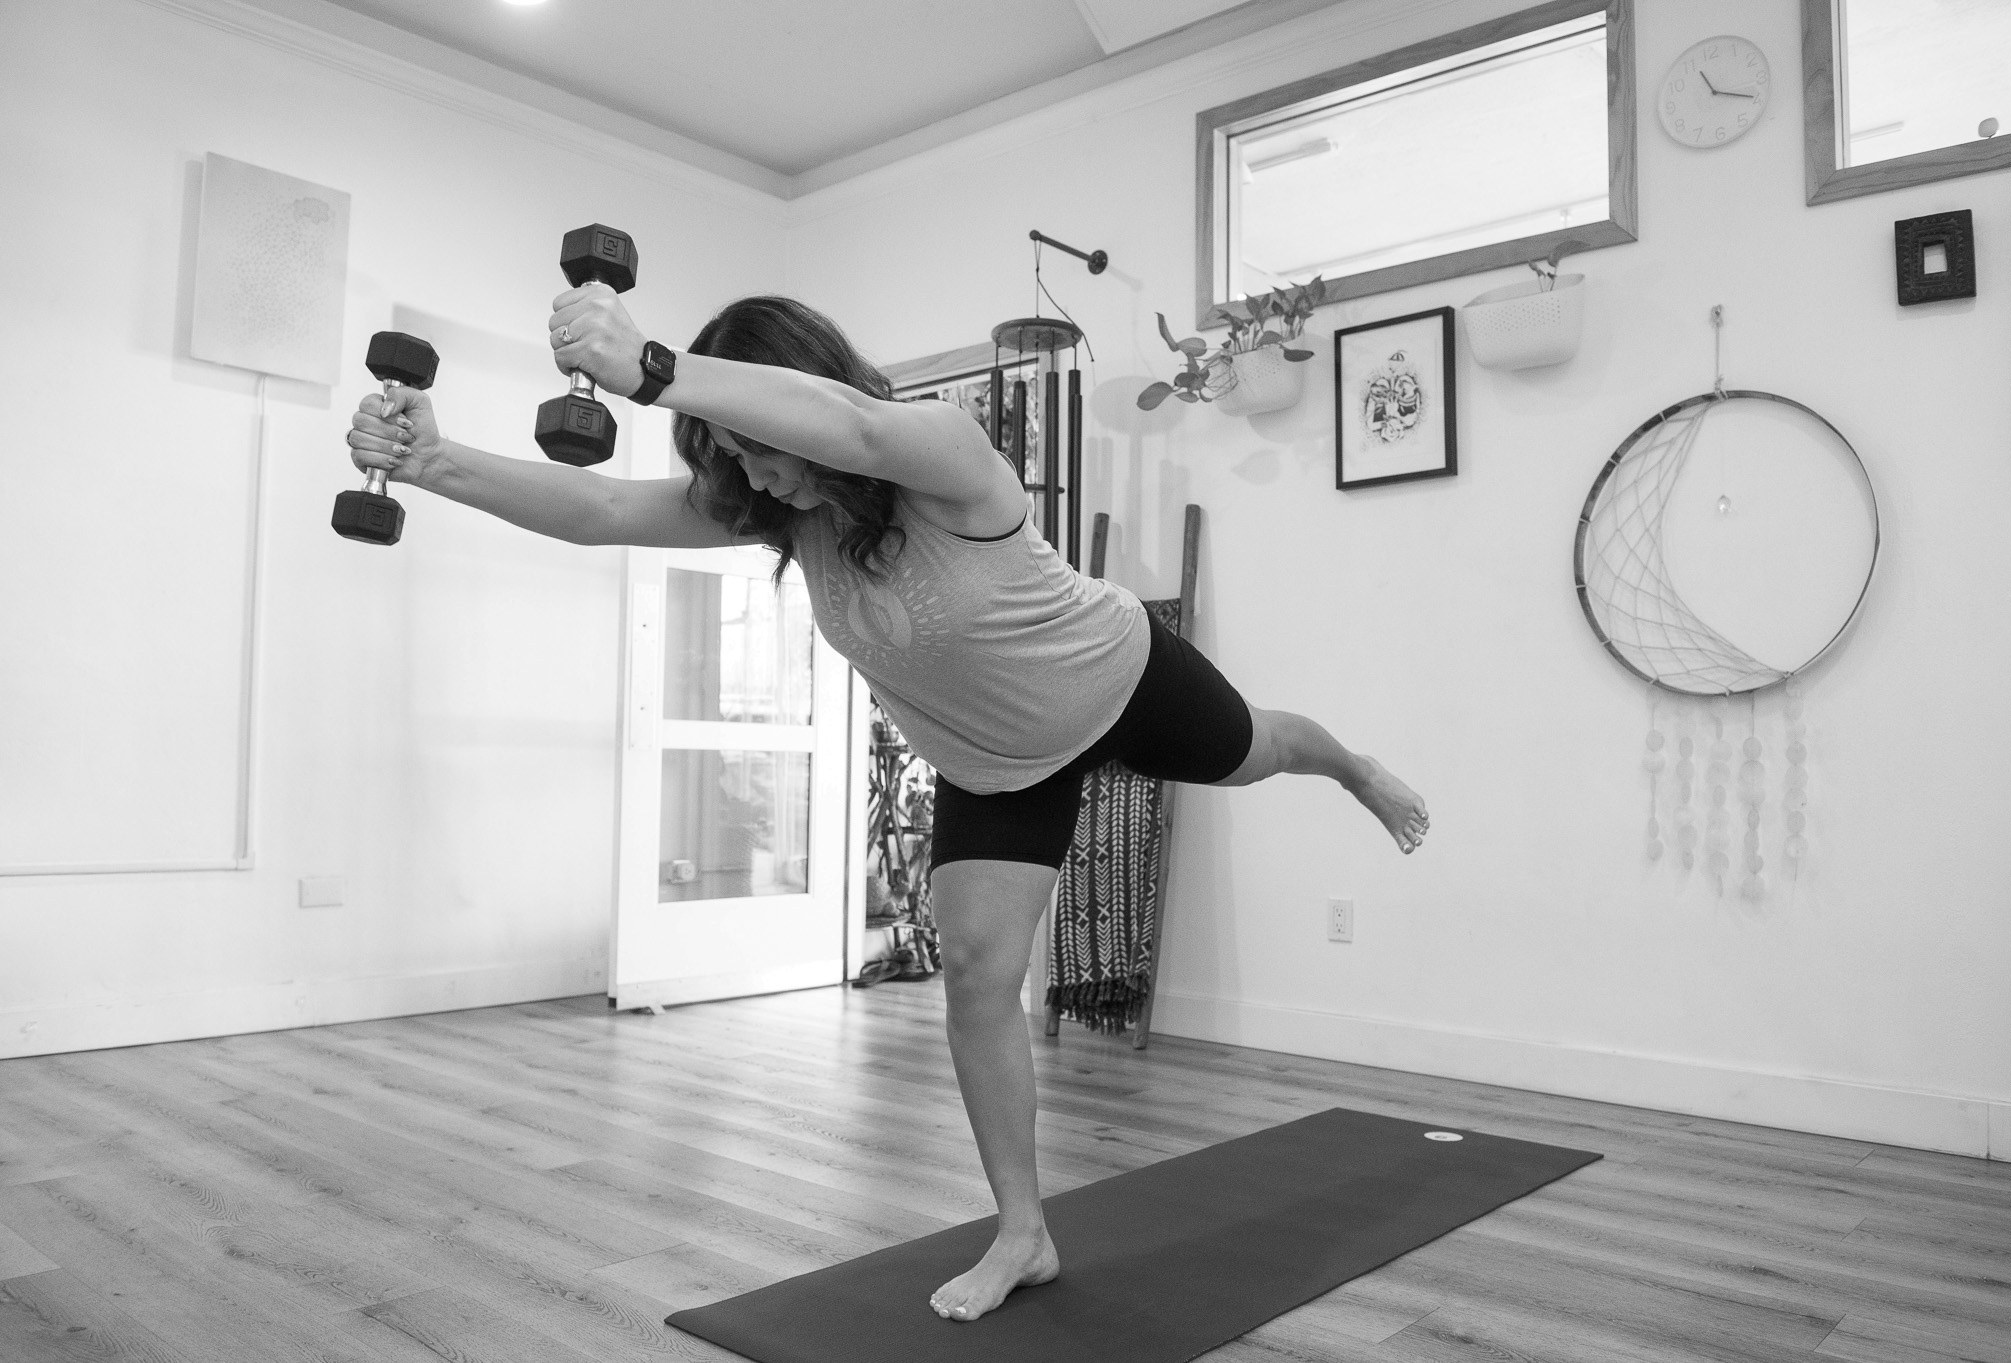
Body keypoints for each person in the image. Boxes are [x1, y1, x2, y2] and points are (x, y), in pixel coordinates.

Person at [345, 286, 1430, 1323]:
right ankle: (1023, 1231)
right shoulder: (781, 509)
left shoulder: (942, 450)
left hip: (1116, 680)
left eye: (765, 446)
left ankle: (1355, 766)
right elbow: (596, 507)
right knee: (975, 977)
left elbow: (855, 434)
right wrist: (434, 461)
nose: (762, 477)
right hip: (995, 767)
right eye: (739, 461)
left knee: (1259, 751)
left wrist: (655, 368)